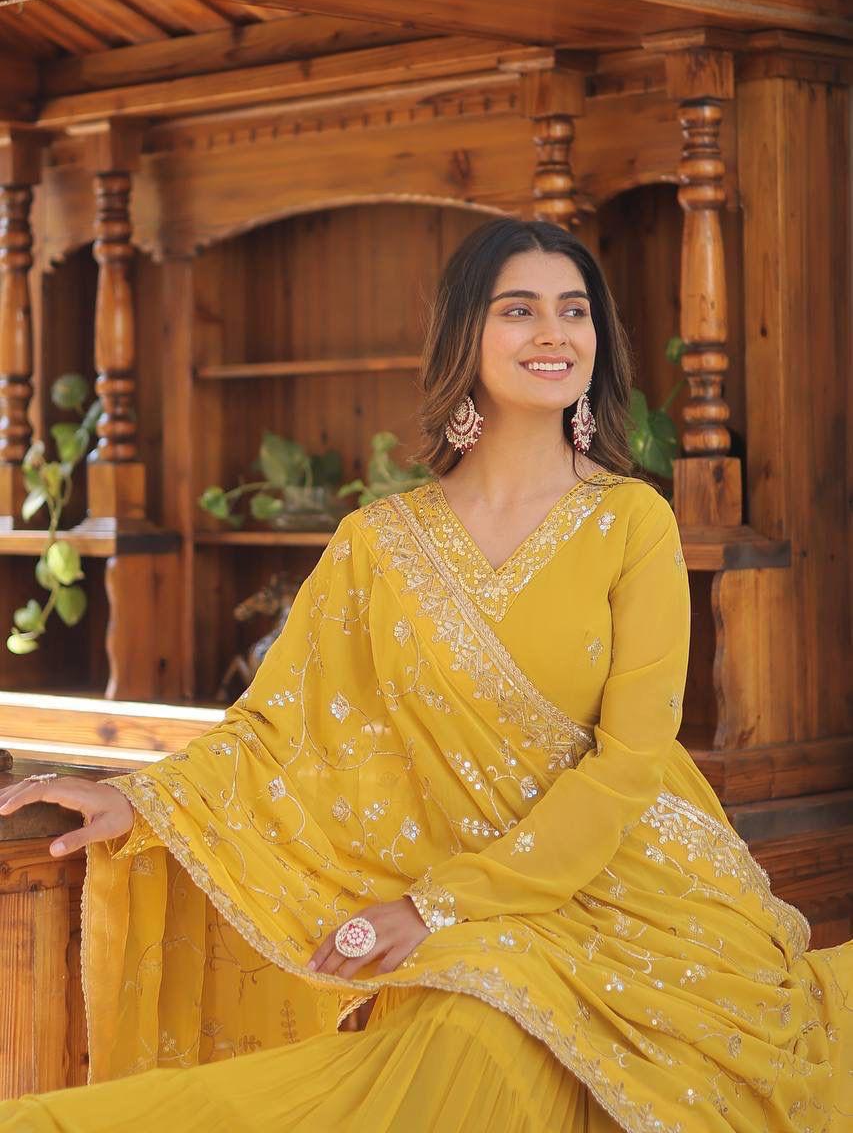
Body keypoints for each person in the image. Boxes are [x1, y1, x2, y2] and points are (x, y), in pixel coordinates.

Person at [0, 218, 849, 1132]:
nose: (553, 334)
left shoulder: (630, 523)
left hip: (633, 900)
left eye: (574, 311)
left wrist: (437, 906)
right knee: (461, 1032)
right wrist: (146, 802)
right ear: (464, 339)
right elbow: (277, 724)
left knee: (477, 1034)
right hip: (461, 918)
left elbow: (629, 763)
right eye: (518, 310)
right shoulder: (379, 543)